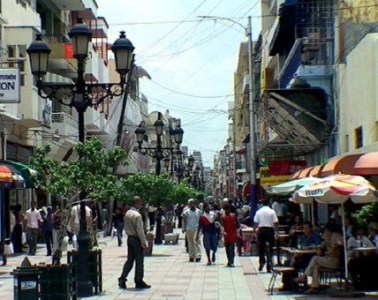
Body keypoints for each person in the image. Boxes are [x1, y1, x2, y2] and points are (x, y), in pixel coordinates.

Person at [295, 222, 343, 294]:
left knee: (315, 258)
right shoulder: (327, 236)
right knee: (316, 267)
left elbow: (340, 243)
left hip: (334, 261)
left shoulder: (336, 236)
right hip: (327, 259)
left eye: (326, 230)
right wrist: (319, 247)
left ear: (329, 230)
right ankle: (314, 287)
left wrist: (334, 246)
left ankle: (304, 276)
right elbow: (321, 244)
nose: (325, 232)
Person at [118, 196, 150, 290]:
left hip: (129, 238)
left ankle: (122, 278)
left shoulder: (127, 213)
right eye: (140, 203)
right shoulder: (137, 215)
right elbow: (140, 230)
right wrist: (144, 242)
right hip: (136, 239)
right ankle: (139, 281)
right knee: (139, 261)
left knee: (130, 260)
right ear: (137, 203)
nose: (141, 204)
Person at [280, 222, 321, 291]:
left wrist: (309, 247)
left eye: (307, 228)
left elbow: (317, 246)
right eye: (304, 229)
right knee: (288, 262)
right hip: (303, 256)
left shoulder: (315, 236)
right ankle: (286, 284)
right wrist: (294, 258)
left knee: (296, 264)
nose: (305, 230)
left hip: (311, 257)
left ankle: (295, 284)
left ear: (311, 228)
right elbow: (299, 248)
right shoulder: (302, 237)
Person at [254, 198, 279, 272]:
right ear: (268, 204)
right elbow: (276, 222)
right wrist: (277, 231)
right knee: (270, 248)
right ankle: (269, 265)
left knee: (261, 248)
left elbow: (255, 223)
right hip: (269, 230)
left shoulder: (259, 211)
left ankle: (262, 262)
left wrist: (254, 232)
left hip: (261, 230)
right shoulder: (272, 211)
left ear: (262, 204)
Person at [221, 203, 239, 267]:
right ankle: (229, 260)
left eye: (228, 209)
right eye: (226, 209)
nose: (228, 210)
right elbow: (222, 225)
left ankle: (232, 261)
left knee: (232, 248)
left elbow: (237, 224)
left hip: (233, 234)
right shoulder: (223, 217)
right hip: (226, 235)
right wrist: (223, 232)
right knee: (227, 249)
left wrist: (238, 231)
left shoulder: (233, 215)